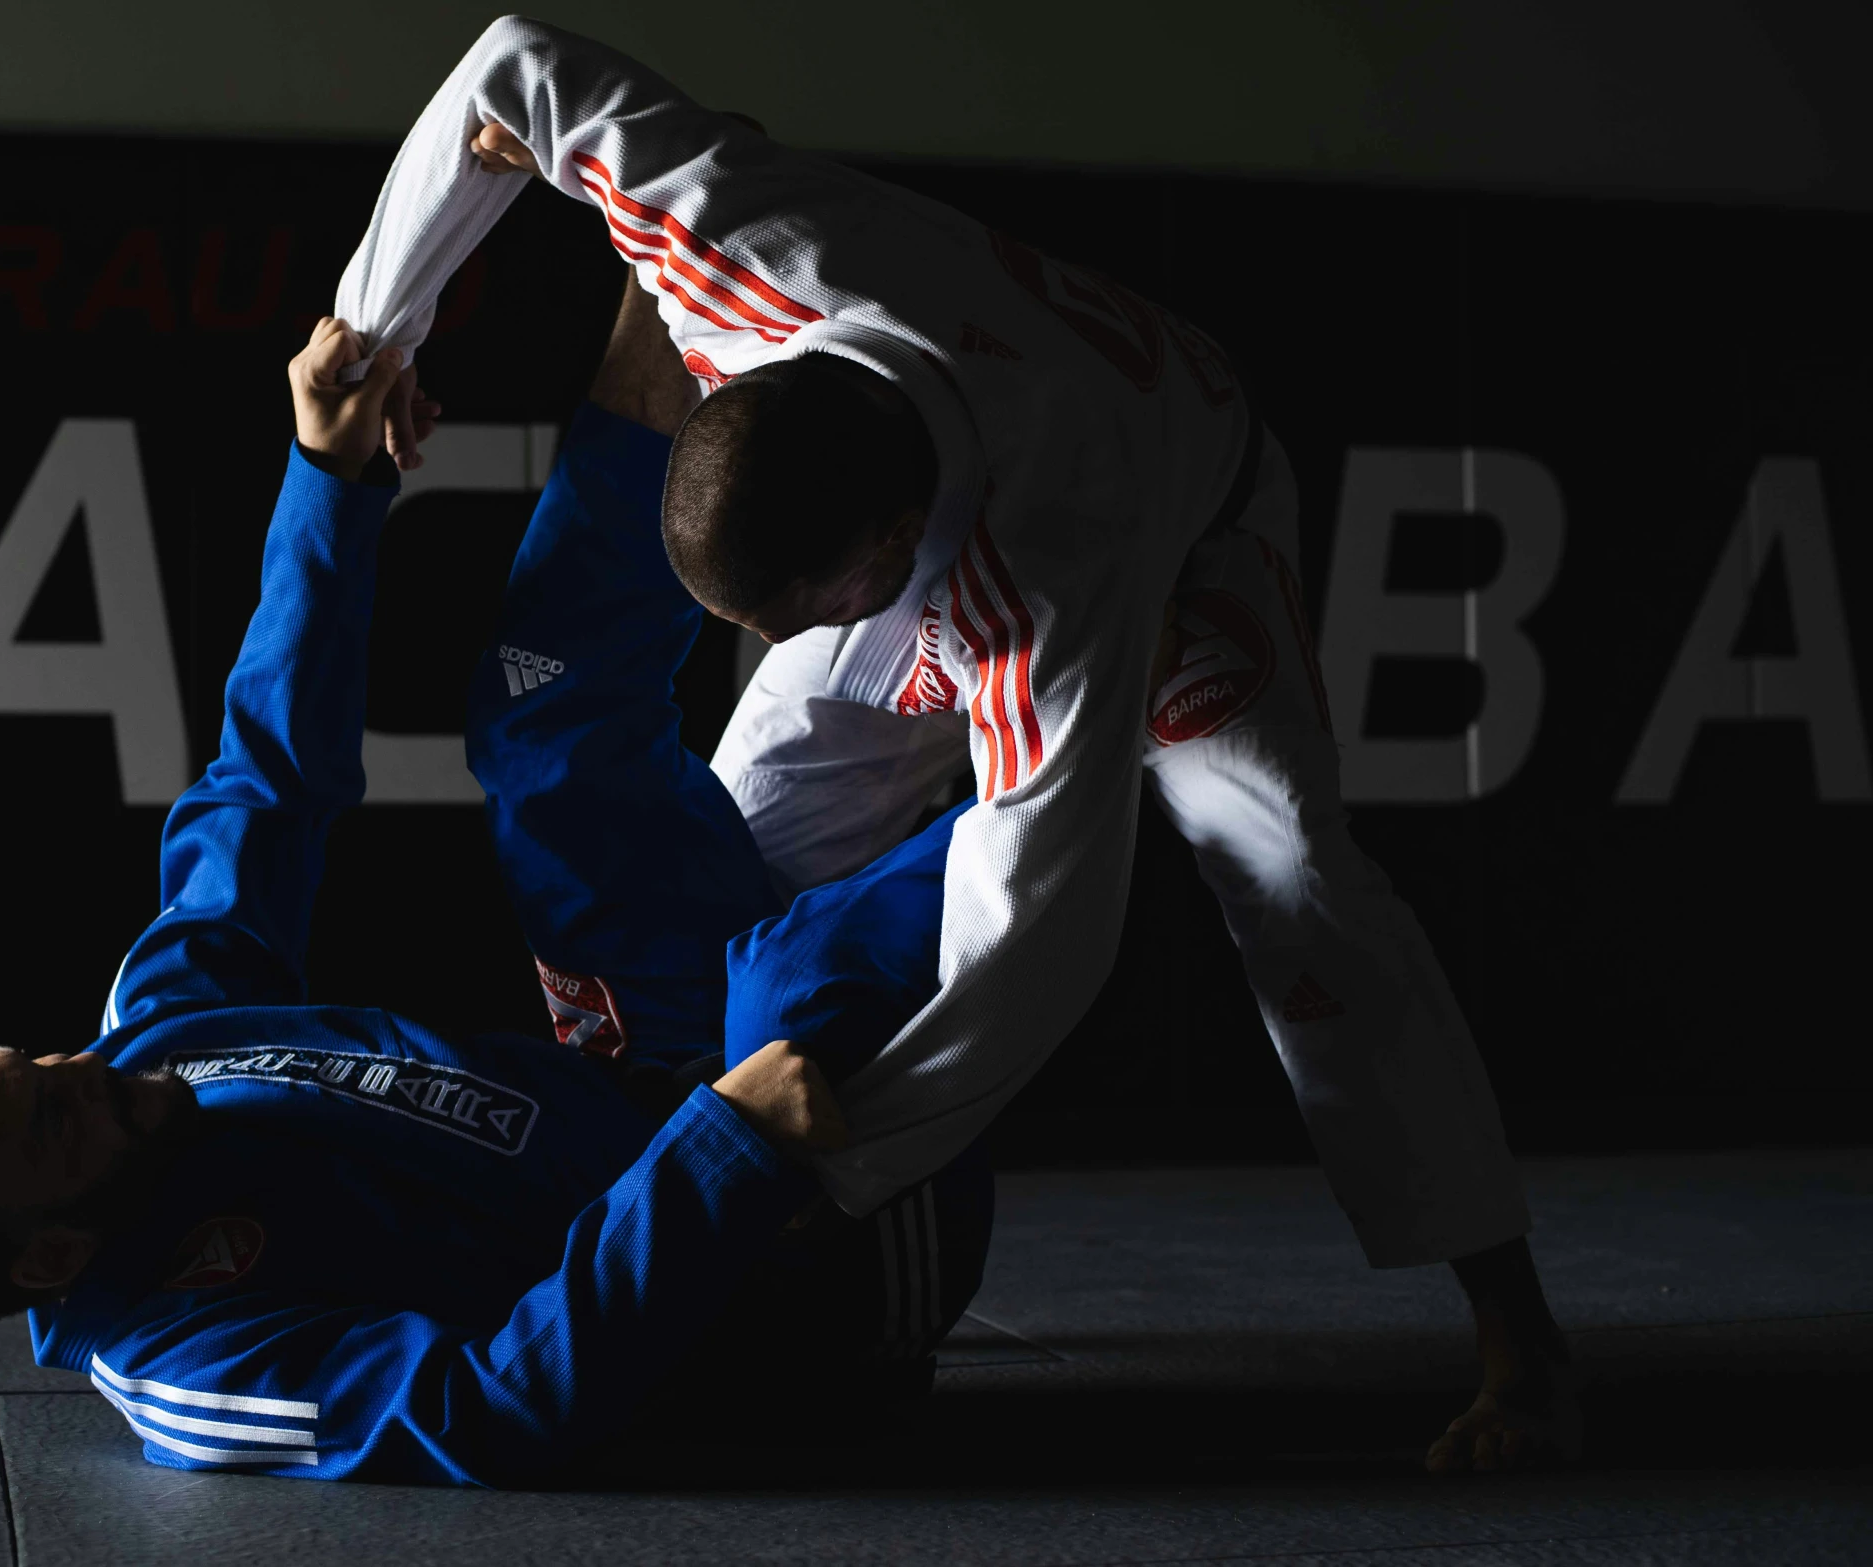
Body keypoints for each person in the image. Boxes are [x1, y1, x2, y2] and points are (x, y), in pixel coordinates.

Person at [331, 16, 1571, 1471]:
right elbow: (511, 63)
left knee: (1289, 876)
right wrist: (380, 326)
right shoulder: (739, 253)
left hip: (1186, 521)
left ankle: (1519, 1334)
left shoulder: (1062, 579)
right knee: (760, 875)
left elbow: (1034, 957)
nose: (789, 642)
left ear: (876, 554)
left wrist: (819, 1162)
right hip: (948, 439)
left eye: (808, 614)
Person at [0, 278, 992, 1486]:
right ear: (47, 1258)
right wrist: (726, 1152)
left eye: (37, 1060)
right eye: (57, 1115)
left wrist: (326, 484)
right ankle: (1101, 725)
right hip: (797, 1250)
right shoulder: (192, 1361)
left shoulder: (148, 1043)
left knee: (538, 718)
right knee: (794, 975)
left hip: (658, 1081)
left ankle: (674, 294)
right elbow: (502, 1404)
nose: (81, 1069)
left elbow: (263, 789)